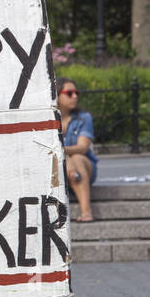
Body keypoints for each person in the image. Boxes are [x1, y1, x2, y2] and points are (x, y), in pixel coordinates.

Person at [57, 78, 97, 222]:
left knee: (77, 158)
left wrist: (62, 151)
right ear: (57, 96)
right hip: (60, 168)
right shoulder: (49, 119)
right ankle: (72, 172)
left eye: (76, 93)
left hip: (85, 168)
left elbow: (83, 147)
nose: (74, 96)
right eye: (69, 93)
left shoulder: (84, 118)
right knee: (67, 159)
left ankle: (86, 212)